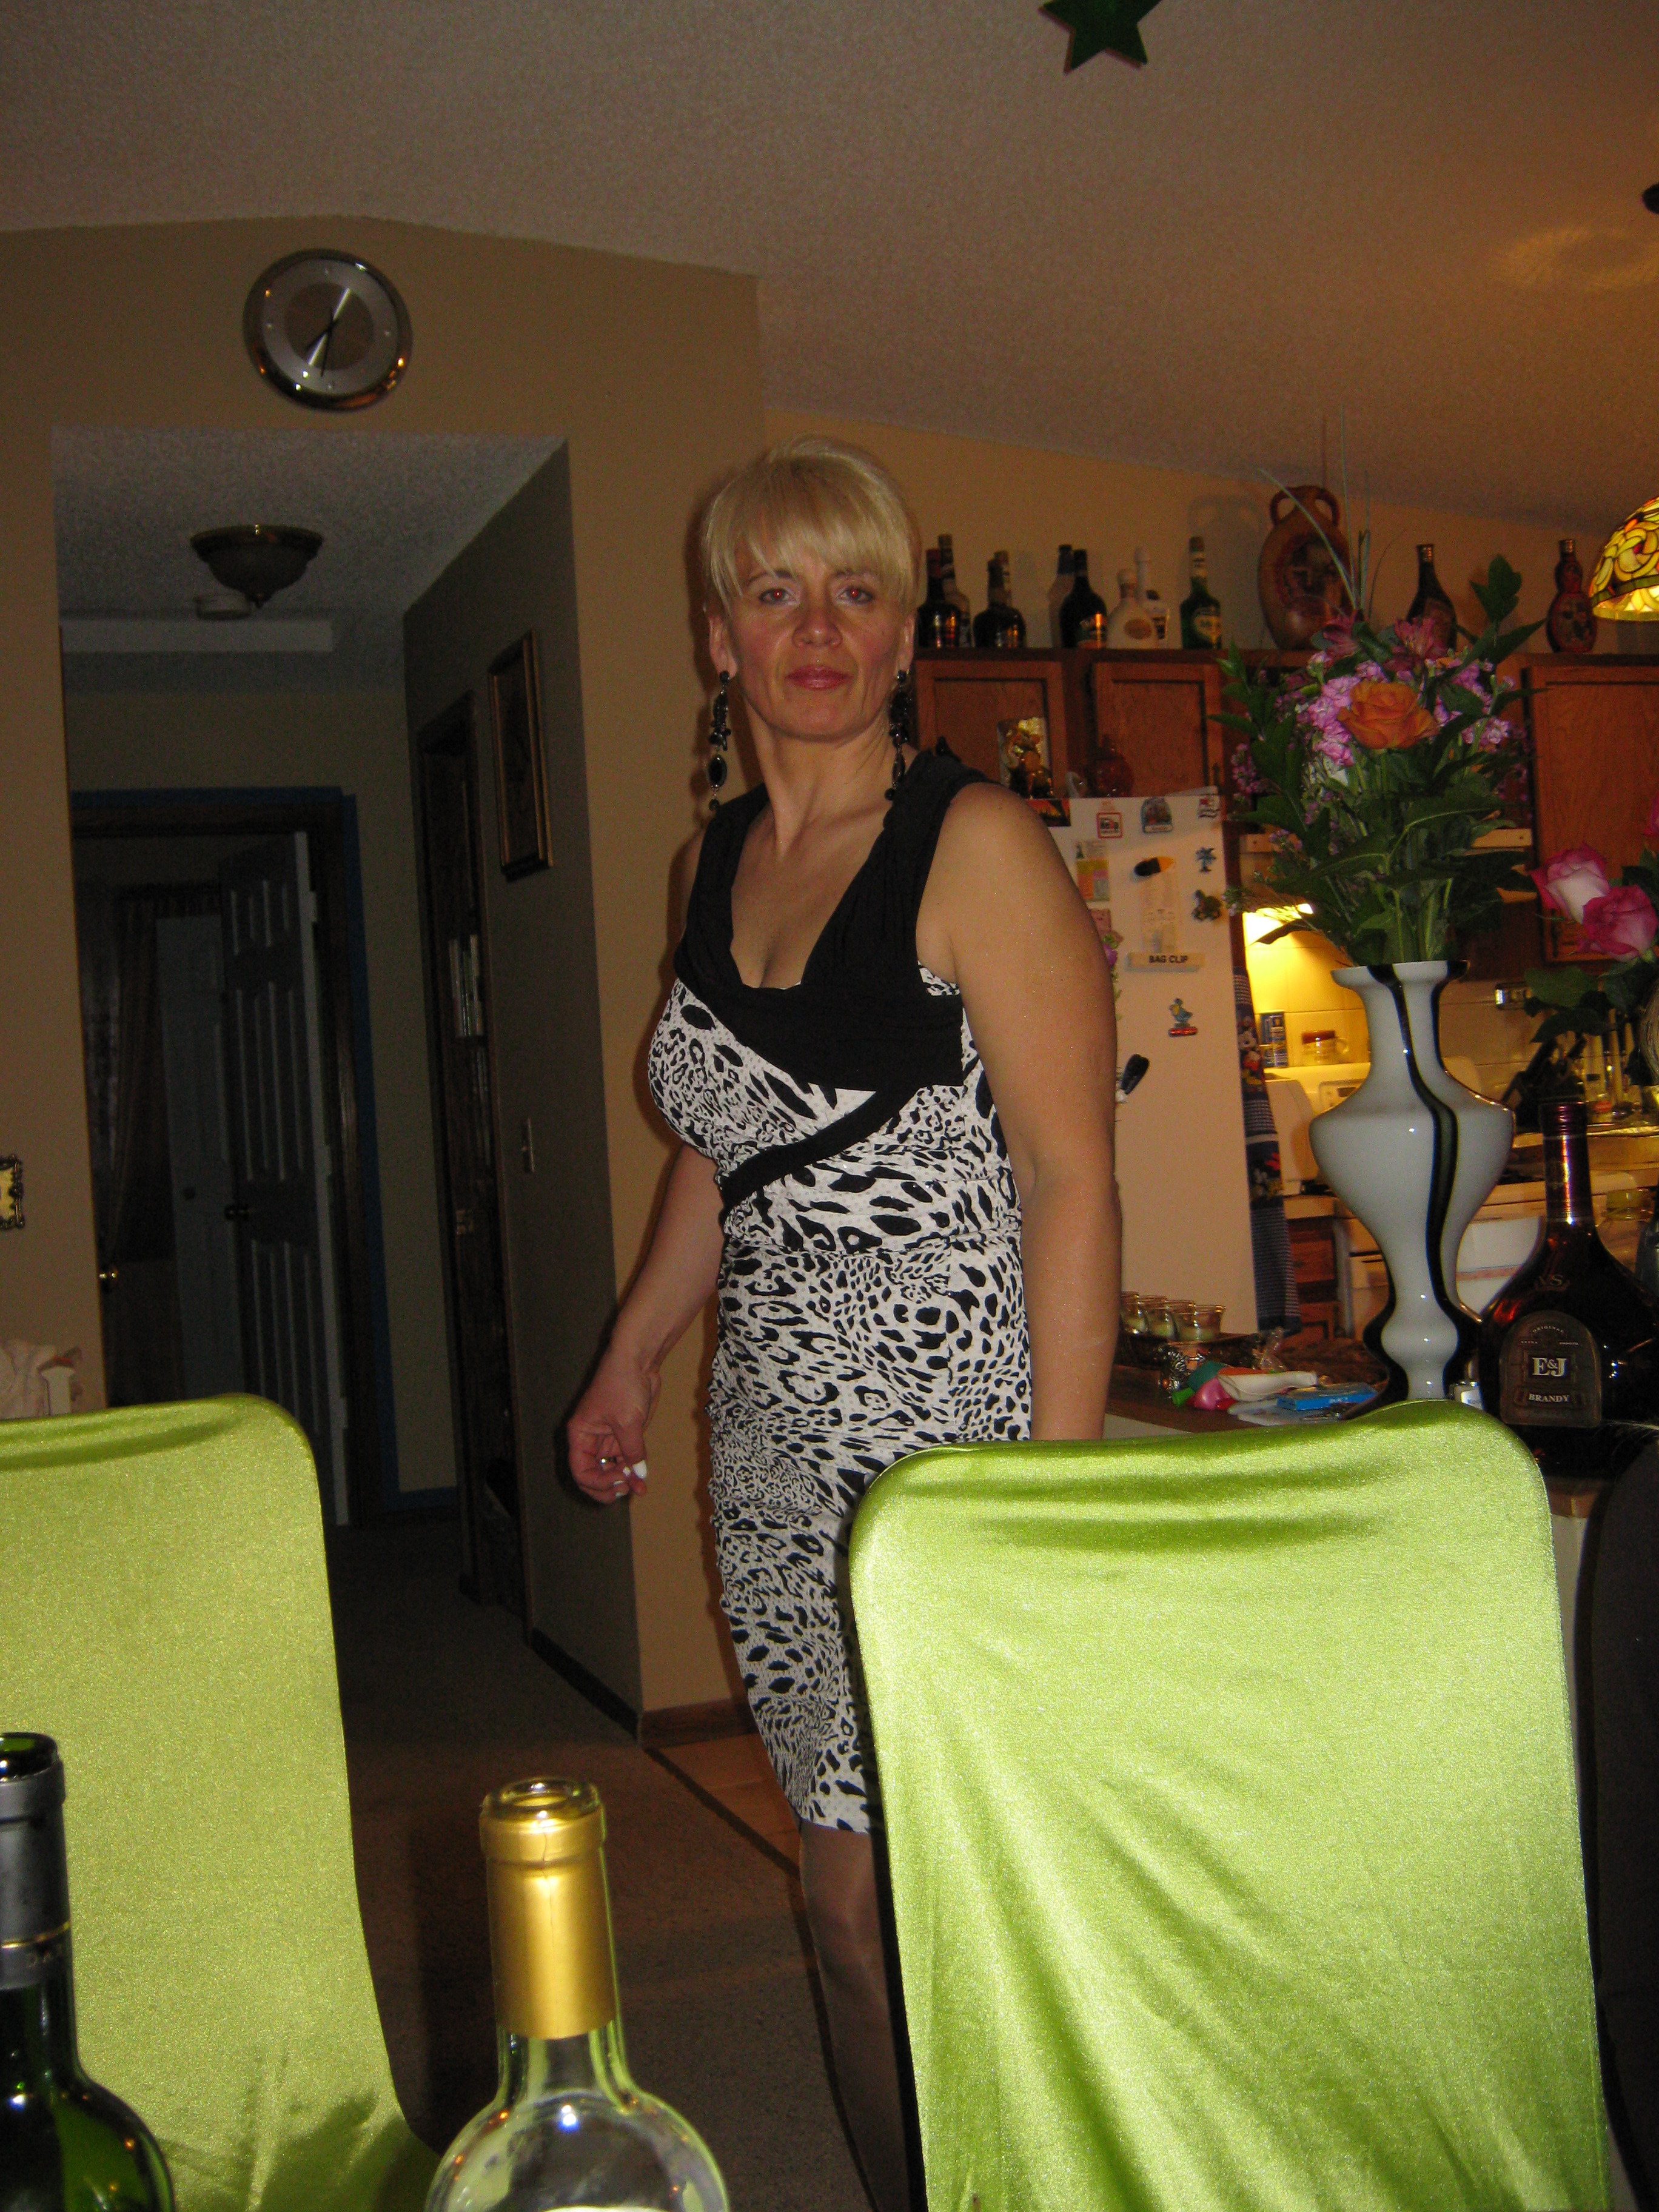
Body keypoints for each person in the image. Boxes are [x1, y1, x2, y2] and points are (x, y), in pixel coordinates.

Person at [566, 437, 1120, 2212]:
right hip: (773, 1449)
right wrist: (633, 1352)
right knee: (838, 1892)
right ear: (718, 636)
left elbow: (1071, 1185)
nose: (816, 628)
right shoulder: (713, 859)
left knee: (935, 1892)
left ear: (900, 636)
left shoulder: (976, 846)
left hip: (950, 1456)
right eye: (774, 591)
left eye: (855, 590)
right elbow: (726, 1152)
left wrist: (1048, 1505)